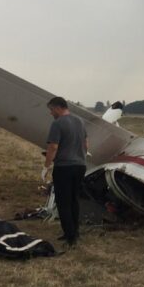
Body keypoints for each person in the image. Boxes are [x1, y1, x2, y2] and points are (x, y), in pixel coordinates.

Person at [44, 96, 88, 247]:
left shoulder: (57, 124)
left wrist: (46, 166)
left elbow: (53, 147)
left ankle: (70, 237)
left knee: (63, 202)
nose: (51, 113)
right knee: (74, 200)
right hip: (80, 166)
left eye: (51, 110)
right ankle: (74, 232)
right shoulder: (80, 121)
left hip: (64, 167)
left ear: (57, 108)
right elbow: (85, 144)